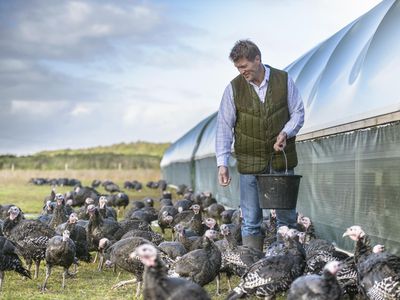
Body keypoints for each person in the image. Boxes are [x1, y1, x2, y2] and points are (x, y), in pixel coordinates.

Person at [215, 40, 305, 251]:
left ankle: (286, 260)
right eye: (238, 68)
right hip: (249, 162)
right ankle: (252, 267)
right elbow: (224, 127)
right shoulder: (233, 89)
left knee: (287, 219)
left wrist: (286, 132)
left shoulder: (284, 80)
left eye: (244, 66)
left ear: (258, 59)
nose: (241, 71)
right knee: (251, 220)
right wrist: (222, 162)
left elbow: (298, 113)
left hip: (280, 159)